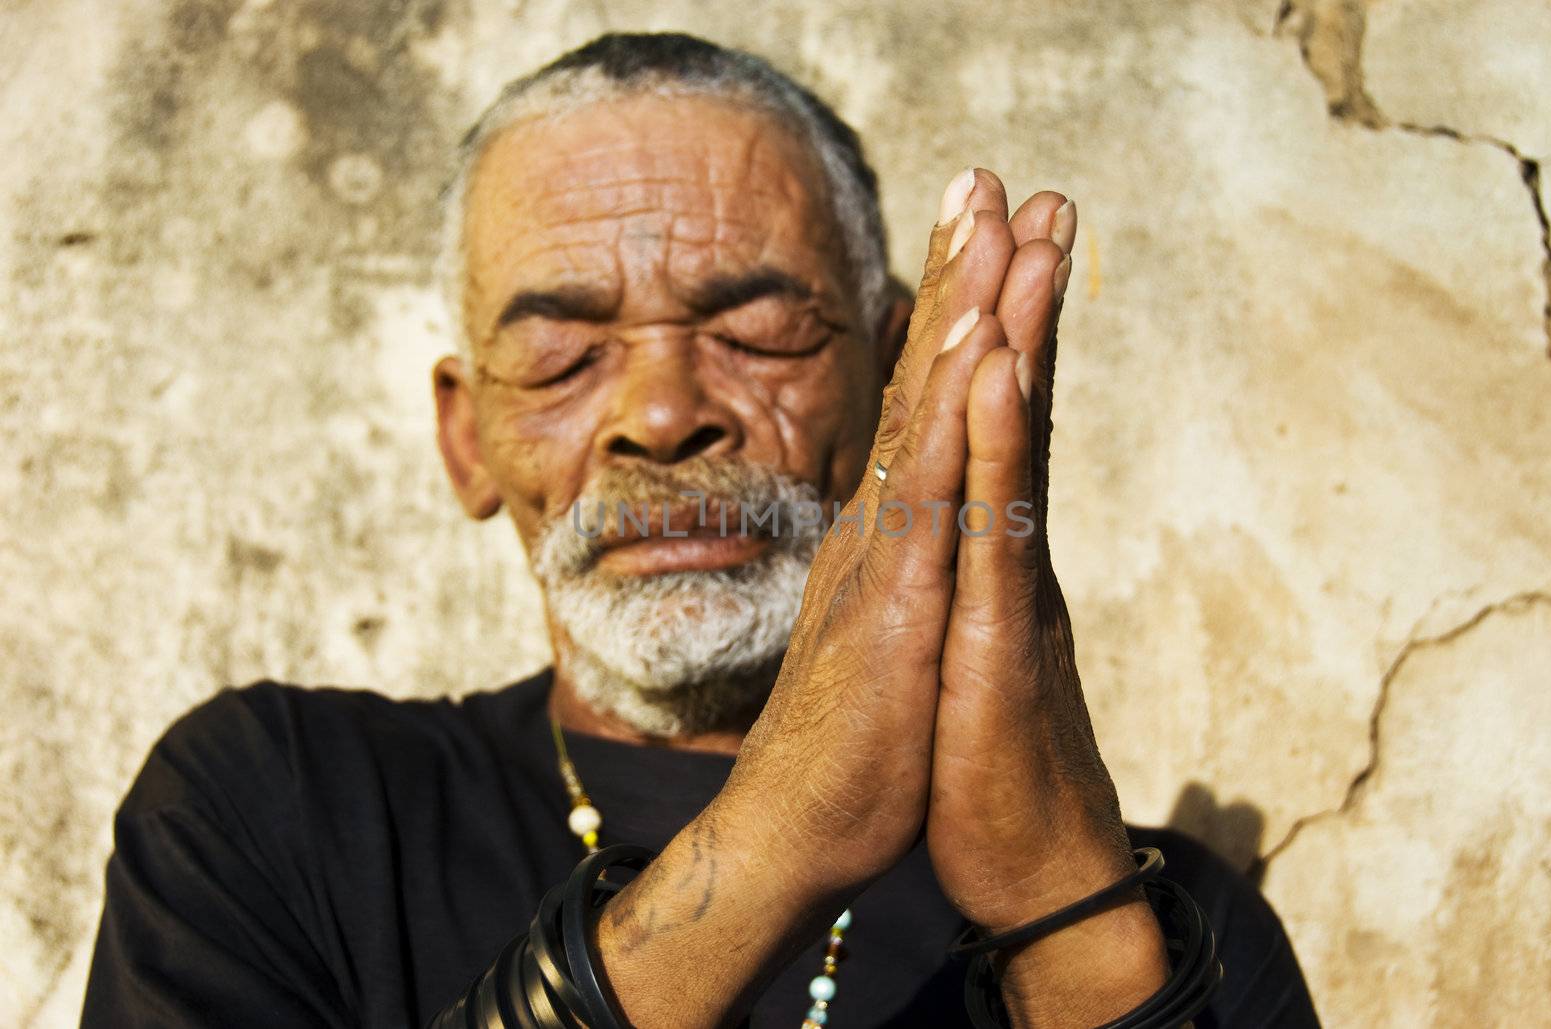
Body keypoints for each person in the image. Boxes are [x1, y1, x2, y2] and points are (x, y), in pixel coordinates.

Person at [81, 32, 1318, 1029]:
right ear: (467, 437)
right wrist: (782, 835)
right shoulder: (276, 808)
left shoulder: (1153, 919)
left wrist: (1062, 910)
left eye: (756, 334)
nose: (663, 416)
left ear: (897, 380)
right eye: (561, 356)